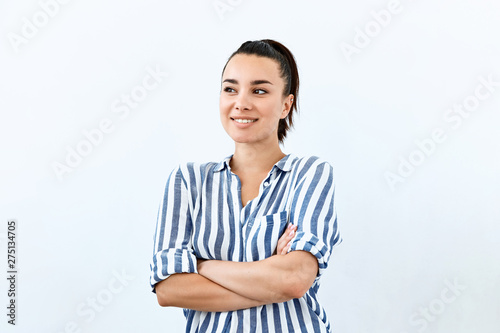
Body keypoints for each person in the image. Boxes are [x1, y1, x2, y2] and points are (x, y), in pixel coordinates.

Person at [149, 39, 342, 332]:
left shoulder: (309, 174)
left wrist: (203, 266)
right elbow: (169, 290)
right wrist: (269, 277)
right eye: (230, 89)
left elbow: (293, 279)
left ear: (285, 105)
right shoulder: (188, 181)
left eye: (259, 90)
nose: (241, 102)